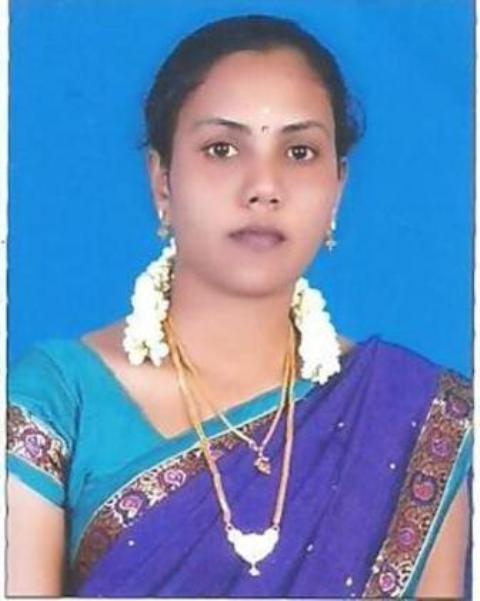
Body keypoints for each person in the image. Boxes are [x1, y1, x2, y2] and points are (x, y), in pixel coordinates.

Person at [7, 14, 472, 598]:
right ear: (162, 180)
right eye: (222, 149)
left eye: (299, 151)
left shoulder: (414, 420)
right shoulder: (60, 401)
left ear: (338, 187)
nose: (264, 187)